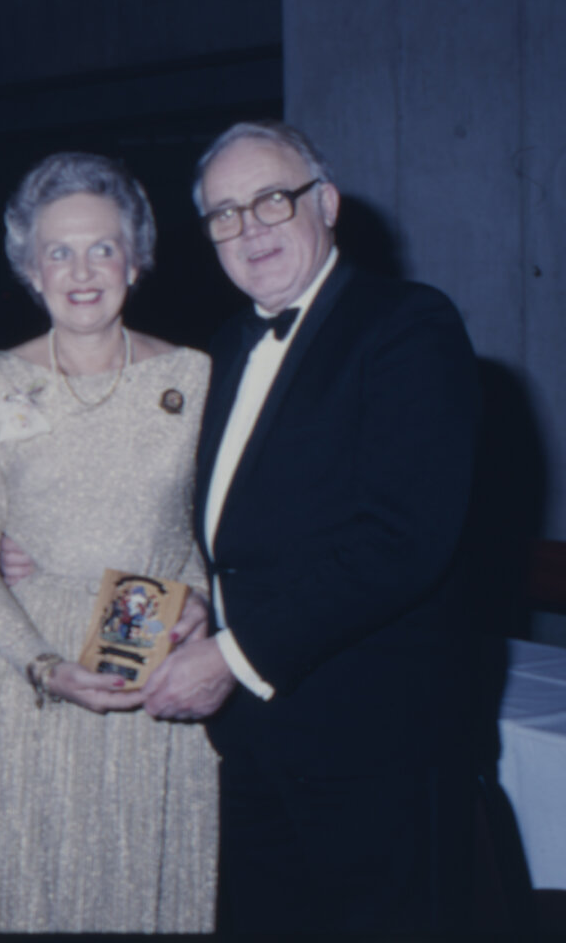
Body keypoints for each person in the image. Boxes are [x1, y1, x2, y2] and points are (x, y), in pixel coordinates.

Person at [141, 120, 480, 932]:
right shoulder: (226, 345)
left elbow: (402, 539)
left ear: (325, 204)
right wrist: (204, 604)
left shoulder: (407, 324)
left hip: (370, 745)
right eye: (225, 213)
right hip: (252, 744)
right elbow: (245, 532)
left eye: (271, 200)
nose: (249, 229)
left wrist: (233, 654)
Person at [0, 152, 218, 932]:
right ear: (31, 270)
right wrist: (43, 664)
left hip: (155, 659)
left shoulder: (195, 377)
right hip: (31, 672)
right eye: (59, 251)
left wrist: (203, 601)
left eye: (102, 247)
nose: (83, 271)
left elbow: (220, 530)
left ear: (136, 258)